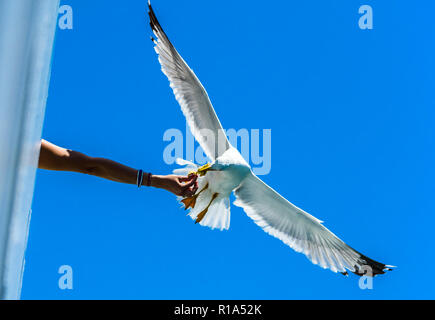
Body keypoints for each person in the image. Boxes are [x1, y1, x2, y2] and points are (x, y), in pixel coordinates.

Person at [38, 139, 198, 197]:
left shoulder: (24, 144)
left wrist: (157, 181)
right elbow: (90, 167)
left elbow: (91, 166)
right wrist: (156, 181)